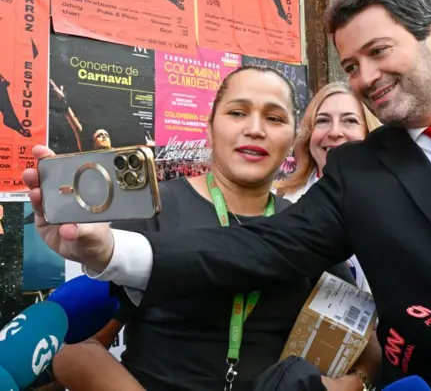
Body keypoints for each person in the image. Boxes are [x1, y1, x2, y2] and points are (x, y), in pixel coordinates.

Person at [25, 0, 431, 391]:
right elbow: (258, 247)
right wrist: (106, 251)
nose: (365, 78)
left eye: (378, 52)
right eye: (350, 66)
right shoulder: (359, 172)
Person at [31, 66, 381, 391]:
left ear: (293, 137)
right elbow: (76, 350)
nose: (255, 129)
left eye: (274, 118)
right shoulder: (156, 212)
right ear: (210, 124)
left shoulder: (309, 225)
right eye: (237, 112)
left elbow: (368, 344)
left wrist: (352, 383)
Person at [276, 82, 381, 291]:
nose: (334, 132)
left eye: (350, 121)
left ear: (370, 132)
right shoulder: (279, 201)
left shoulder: (400, 202)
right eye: (322, 121)